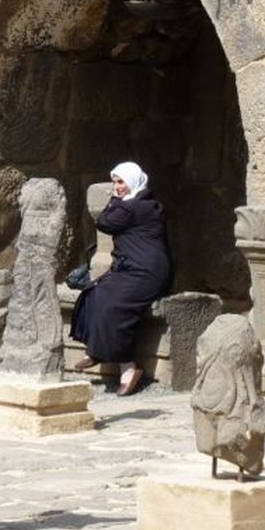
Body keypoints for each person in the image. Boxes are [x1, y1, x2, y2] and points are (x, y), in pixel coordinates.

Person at [70, 161, 173, 396]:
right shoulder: (140, 204)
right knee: (96, 292)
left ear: (134, 182)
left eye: (121, 182)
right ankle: (102, 355)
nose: (117, 187)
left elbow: (105, 222)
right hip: (131, 269)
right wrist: (119, 199)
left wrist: (115, 200)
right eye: (115, 182)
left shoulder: (134, 207)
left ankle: (124, 364)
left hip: (147, 273)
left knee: (115, 303)